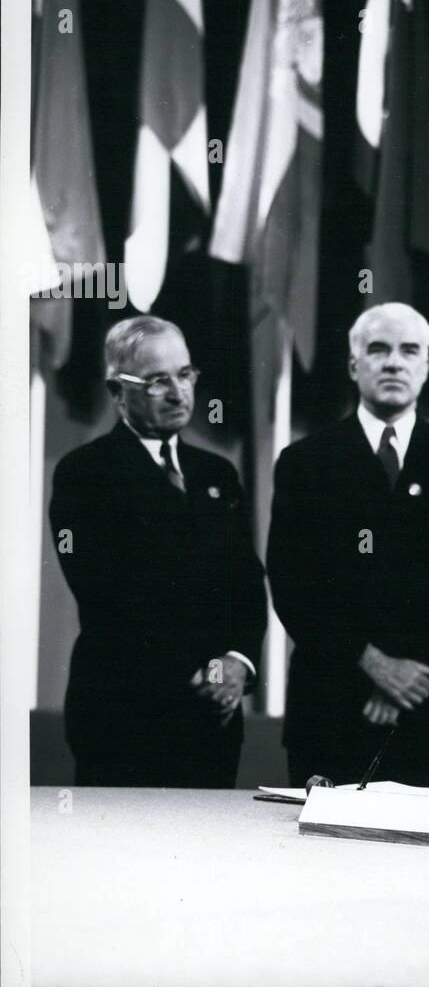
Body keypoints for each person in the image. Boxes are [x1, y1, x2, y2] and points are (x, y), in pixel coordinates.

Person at [267, 303, 429, 788]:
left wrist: (404, 680)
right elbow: (294, 585)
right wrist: (372, 663)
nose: (393, 362)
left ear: (426, 367)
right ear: (354, 365)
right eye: (378, 350)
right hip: (332, 712)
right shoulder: (305, 463)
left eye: (408, 350)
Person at [49, 317, 267, 787]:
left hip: (212, 725)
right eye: (158, 381)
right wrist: (204, 676)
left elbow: (246, 584)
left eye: (185, 375)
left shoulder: (217, 475)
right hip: (122, 721)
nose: (178, 393)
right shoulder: (84, 474)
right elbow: (108, 598)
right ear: (116, 389)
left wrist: (233, 664)